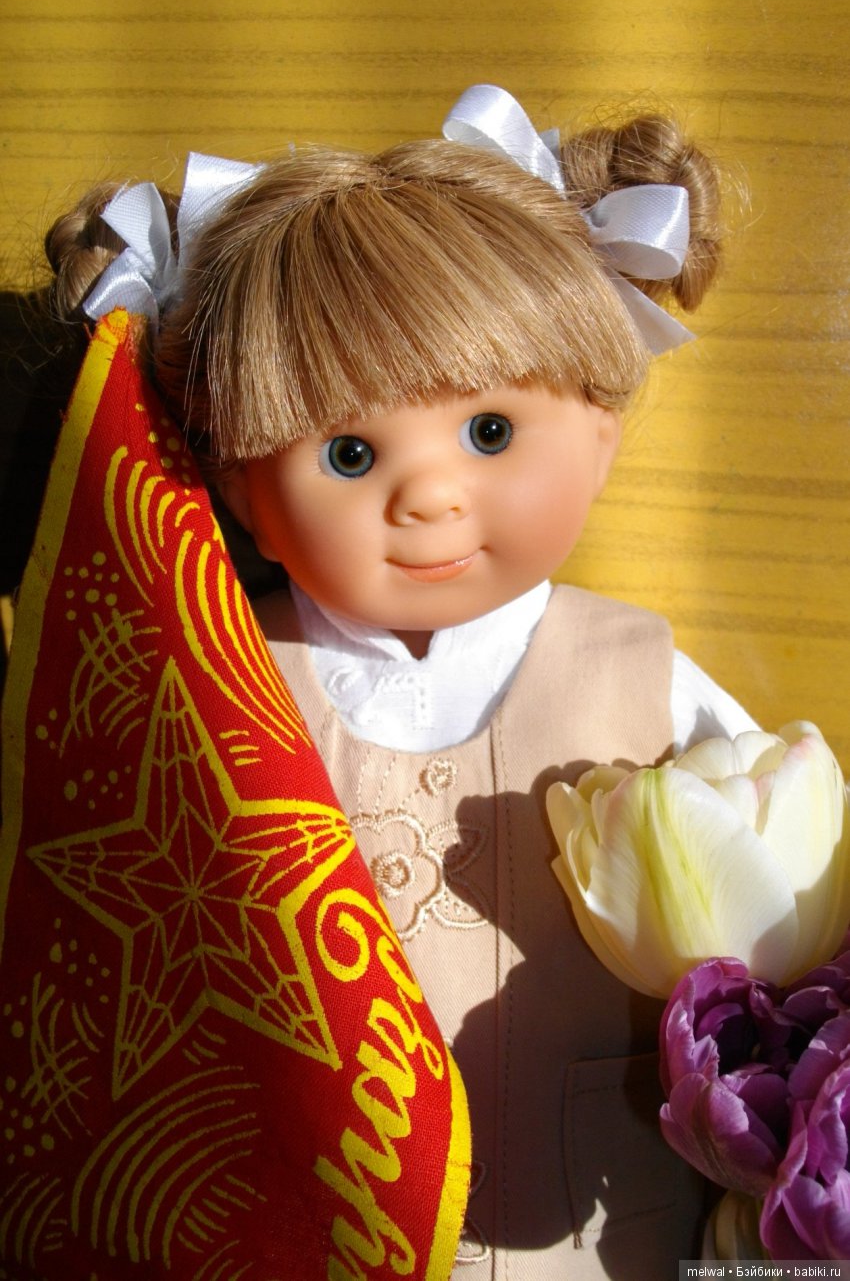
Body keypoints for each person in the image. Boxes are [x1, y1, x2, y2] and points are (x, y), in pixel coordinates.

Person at [45, 84, 757, 1278]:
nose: (426, 496)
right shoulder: (218, 684)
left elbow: (790, 893)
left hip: (597, 1227)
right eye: (348, 453)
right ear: (240, 489)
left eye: (490, 432)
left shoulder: (641, 674)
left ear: (599, 431)